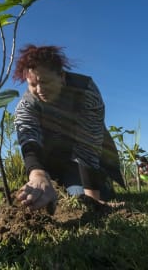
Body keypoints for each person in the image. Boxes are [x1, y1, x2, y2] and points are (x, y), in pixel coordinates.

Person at [13, 45, 125, 212]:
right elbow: (29, 137)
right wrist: (38, 174)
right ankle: (57, 183)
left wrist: (93, 201)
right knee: (64, 195)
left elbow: (88, 144)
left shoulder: (86, 92)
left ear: (61, 76)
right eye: (33, 84)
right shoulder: (27, 104)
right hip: (53, 159)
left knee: (83, 198)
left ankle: (102, 183)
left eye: (45, 82)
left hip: (82, 158)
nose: (40, 90)